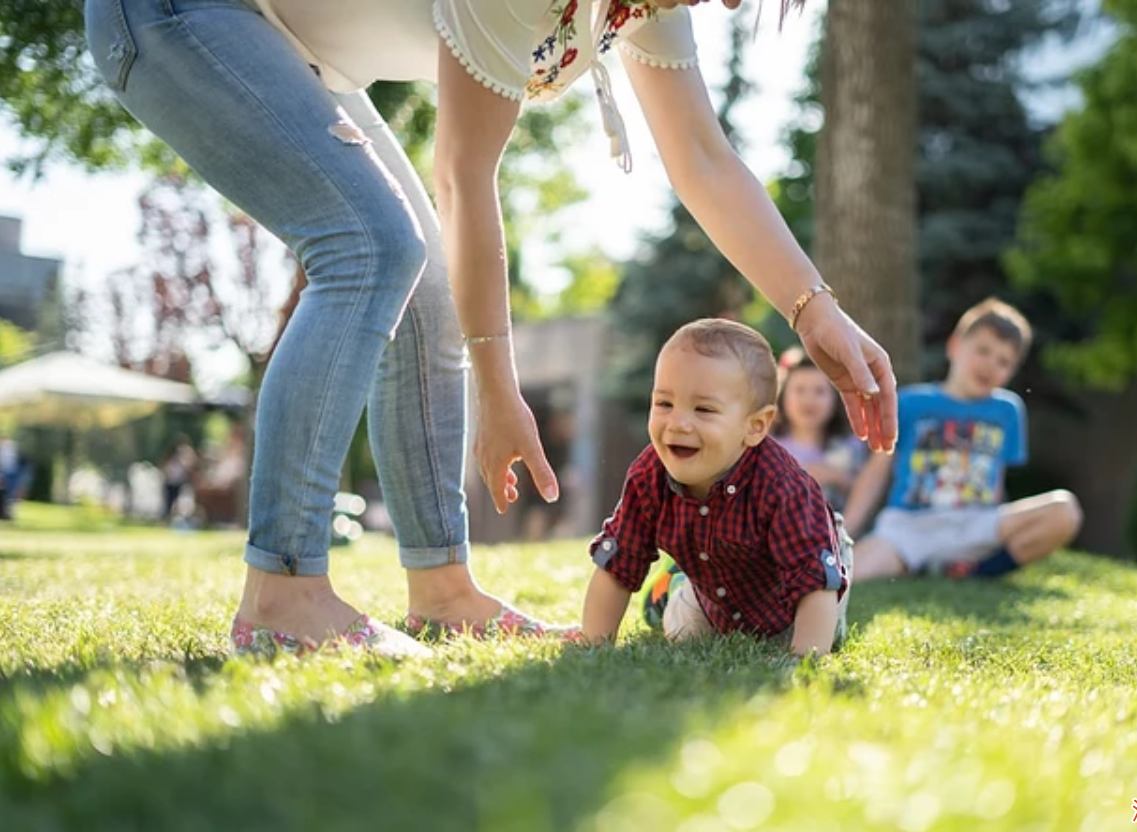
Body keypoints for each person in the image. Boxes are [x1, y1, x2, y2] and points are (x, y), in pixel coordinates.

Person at [83, 0, 896, 657]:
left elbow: (704, 160)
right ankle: (283, 593)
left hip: (296, 48)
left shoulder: (653, 4)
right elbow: (463, 176)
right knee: (373, 243)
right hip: (180, 15)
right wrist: (499, 392)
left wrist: (814, 310)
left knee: (426, 277)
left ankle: (441, 590)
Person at [581, 319, 852, 657]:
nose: (678, 424)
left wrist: (805, 661)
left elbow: (814, 581)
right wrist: (592, 645)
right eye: (664, 404)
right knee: (685, 632)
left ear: (755, 427)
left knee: (825, 635)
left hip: (796, 592)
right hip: (715, 593)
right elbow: (617, 563)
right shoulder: (648, 476)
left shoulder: (784, 487)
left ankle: (675, 584)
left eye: (704, 409)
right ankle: (672, 589)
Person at [844, 298, 1083, 582]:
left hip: (976, 524)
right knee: (849, 573)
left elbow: (997, 481)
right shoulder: (910, 403)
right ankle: (924, 563)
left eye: (1004, 362)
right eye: (983, 351)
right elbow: (876, 473)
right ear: (955, 346)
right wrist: (846, 531)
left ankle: (975, 572)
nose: (991, 365)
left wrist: (1001, 528)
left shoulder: (1008, 410)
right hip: (909, 527)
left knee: (1064, 510)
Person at [772, 347, 871, 512]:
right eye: (799, 390)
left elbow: (868, 491)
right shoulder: (769, 447)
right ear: (783, 396)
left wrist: (835, 477)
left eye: (820, 391)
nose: (809, 400)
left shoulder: (851, 445)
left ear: (836, 399)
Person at [161, 433, 200, 521]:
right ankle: (167, 517)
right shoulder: (171, 453)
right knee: (169, 502)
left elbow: (192, 465)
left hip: (181, 482)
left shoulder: (187, 452)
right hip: (170, 481)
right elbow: (165, 465)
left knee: (183, 501)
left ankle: (184, 518)